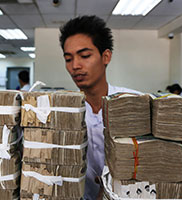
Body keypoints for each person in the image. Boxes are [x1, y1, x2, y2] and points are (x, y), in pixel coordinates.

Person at [59, 15, 141, 199]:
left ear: (106, 56)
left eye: (85, 56)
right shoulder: (64, 112)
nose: (75, 66)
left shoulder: (134, 103)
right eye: (68, 59)